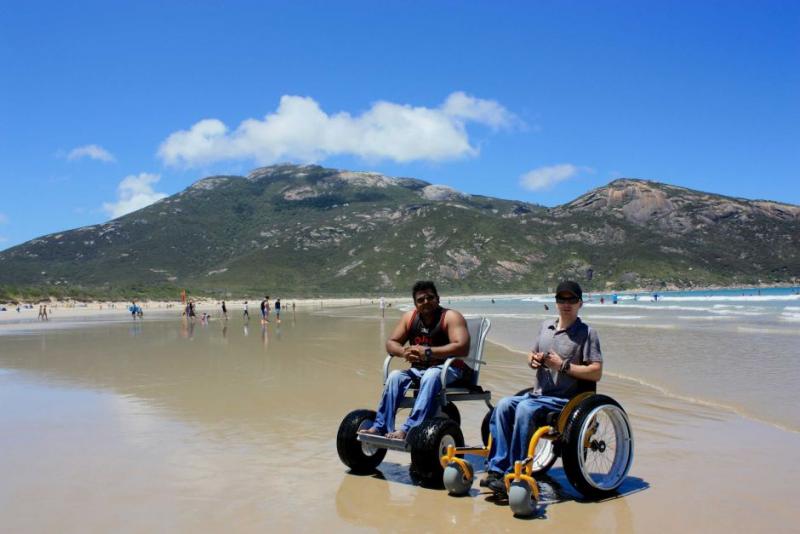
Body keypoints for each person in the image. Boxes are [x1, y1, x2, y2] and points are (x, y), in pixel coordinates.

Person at [483, 281, 603, 495]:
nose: (566, 304)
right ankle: (496, 470)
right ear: (556, 302)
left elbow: (596, 371)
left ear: (580, 304)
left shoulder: (587, 333)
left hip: (565, 401)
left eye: (571, 300)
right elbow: (531, 353)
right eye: (561, 299)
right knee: (502, 405)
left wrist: (563, 366)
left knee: (524, 409)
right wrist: (533, 360)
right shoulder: (545, 326)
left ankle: (516, 471)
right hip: (538, 394)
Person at [360, 281, 471, 440]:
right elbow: (391, 343)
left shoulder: (451, 317)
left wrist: (429, 352)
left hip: (449, 369)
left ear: (437, 299)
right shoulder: (410, 318)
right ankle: (380, 426)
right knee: (395, 376)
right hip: (419, 370)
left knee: (431, 375)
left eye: (430, 297)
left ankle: (410, 428)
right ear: (415, 304)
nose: (426, 302)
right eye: (421, 300)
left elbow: (462, 348)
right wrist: (403, 351)